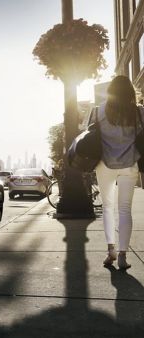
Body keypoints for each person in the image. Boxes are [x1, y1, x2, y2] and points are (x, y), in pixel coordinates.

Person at [93, 75, 144, 269]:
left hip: (104, 164)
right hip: (129, 164)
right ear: (130, 92)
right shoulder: (139, 113)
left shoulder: (98, 111)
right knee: (125, 210)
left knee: (107, 207)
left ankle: (111, 251)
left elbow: (85, 132)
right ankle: (123, 256)